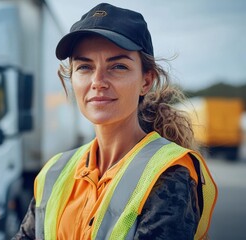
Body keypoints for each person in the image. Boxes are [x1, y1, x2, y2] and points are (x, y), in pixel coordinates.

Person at [13, 3, 217, 240]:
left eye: (118, 66)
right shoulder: (53, 173)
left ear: (146, 81)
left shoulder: (169, 174)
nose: (98, 81)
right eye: (85, 67)